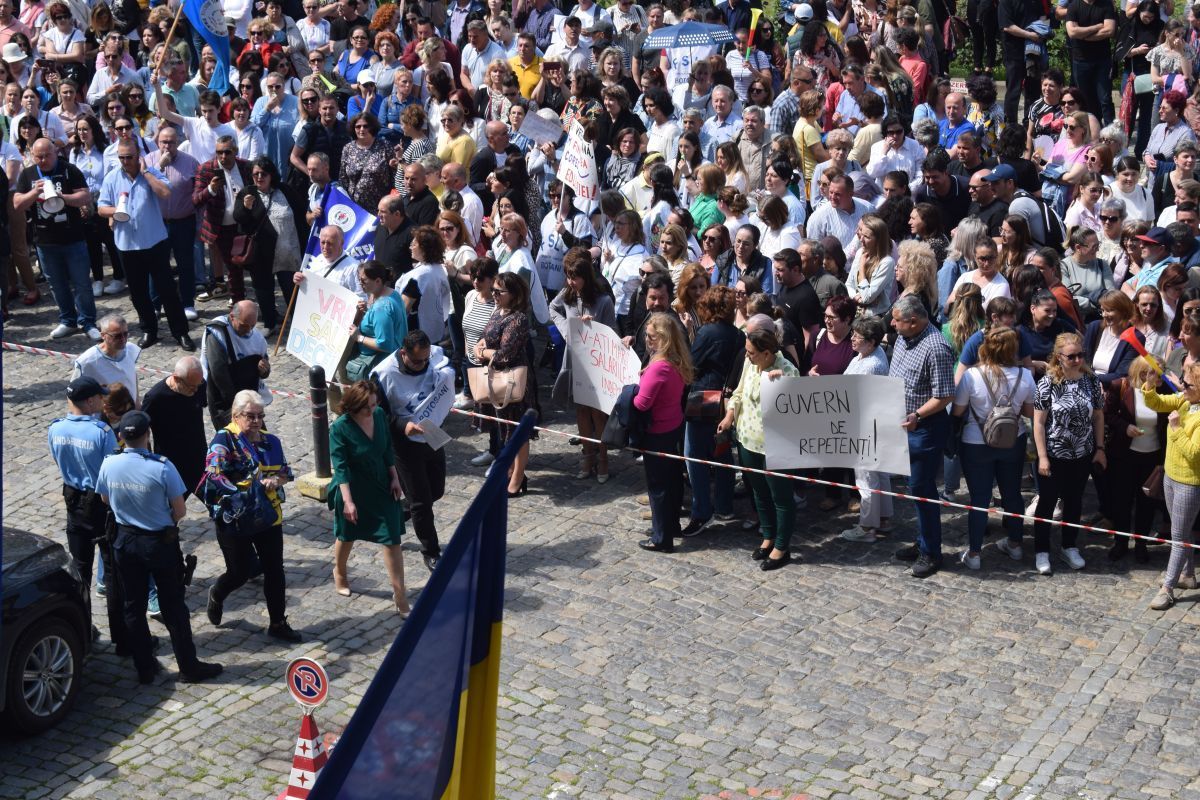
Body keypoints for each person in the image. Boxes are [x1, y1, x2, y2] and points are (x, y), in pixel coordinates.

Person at [97, 410, 222, 684]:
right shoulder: (162, 467)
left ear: (121, 437)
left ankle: (144, 667)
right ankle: (188, 666)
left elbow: (105, 499)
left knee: (133, 606)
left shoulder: (109, 464)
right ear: (147, 434)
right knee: (173, 606)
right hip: (158, 543)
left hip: (125, 541)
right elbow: (180, 511)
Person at [200, 390, 300, 641]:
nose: (256, 421)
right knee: (240, 572)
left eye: (260, 416)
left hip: (267, 515)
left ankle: (277, 622)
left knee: (274, 569)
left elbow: (285, 473)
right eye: (250, 416)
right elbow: (213, 474)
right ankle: (218, 593)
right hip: (234, 516)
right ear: (236, 415)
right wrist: (244, 490)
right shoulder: (224, 440)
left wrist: (275, 481)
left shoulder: (271, 441)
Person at [48, 376, 125, 650]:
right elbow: (113, 471)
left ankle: (84, 634)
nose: (103, 401)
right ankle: (122, 638)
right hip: (101, 504)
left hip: (73, 502)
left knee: (81, 572)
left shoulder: (55, 428)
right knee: (114, 572)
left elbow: (58, 460)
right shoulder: (101, 432)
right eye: (100, 397)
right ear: (91, 401)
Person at [952, 327, 1037, 570]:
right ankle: (1015, 544)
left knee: (979, 498)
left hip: (975, 443)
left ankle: (975, 553)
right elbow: (1029, 411)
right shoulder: (1025, 375)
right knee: (1012, 494)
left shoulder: (971, 376)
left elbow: (958, 411)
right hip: (1012, 441)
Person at [97, 140, 194, 351]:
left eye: (129, 157)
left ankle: (180, 332)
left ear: (138, 155)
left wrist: (146, 173)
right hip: (127, 245)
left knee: (167, 290)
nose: (125, 162)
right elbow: (101, 208)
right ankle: (149, 329)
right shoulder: (112, 178)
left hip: (154, 242)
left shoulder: (151, 173)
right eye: (121, 158)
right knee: (138, 293)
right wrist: (116, 210)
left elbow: (166, 193)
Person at [371, 330, 456, 572]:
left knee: (435, 490)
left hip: (430, 433)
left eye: (426, 360)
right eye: (417, 361)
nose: (423, 365)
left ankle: (391, 519)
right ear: (403, 354)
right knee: (421, 502)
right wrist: (403, 426)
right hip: (404, 442)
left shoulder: (433, 357)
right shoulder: (383, 374)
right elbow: (378, 413)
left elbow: (451, 365)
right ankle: (431, 551)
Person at [718, 325, 801, 567]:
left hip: (776, 446)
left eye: (751, 352)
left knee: (781, 497)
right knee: (759, 493)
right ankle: (768, 536)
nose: (747, 355)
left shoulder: (788, 370)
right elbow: (739, 392)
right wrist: (729, 416)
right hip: (748, 440)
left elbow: (797, 408)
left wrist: (781, 383)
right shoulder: (750, 364)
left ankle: (782, 546)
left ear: (767, 353)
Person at [326, 380, 410, 612]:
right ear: (353, 405)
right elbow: (340, 467)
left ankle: (400, 594)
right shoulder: (340, 428)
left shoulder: (379, 415)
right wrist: (348, 502)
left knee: (392, 538)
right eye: (366, 407)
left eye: (374, 404)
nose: (371, 410)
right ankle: (340, 572)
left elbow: (386, 449)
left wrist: (394, 477)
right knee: (347, 534)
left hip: (381, 483)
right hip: (353, 487)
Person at [890, 293, 957, 578]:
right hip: (902, 426)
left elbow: (944, 396)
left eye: (897, 320)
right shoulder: (903, 338)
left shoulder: (936, 348)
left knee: (923, 489)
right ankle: (922, 541)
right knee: (914, 488)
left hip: (924, 429)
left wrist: (917, 415)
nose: (892, 324)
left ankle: (931, 552)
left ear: (914, 321)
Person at [1031, 332, 1106, 575]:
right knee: (1047, 503)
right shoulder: (1048, 383)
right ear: (1059, 357)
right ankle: (1041, 550)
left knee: (1074, 501)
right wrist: (1042, 456)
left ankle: (1069, 545)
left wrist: (1100, 448)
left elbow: (1098, 416)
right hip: (1054, 453)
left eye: (1080, 355)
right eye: (1071, 356)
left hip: (1082, 453)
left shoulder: (1091, 380)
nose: (1077, 360)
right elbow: (1039, 423)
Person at [14, 137, 95, 340]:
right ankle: (68, 321)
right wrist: (35, 192)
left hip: (73, 238)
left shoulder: (69, 169)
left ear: (55, 153)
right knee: (57, 285)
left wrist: (62, 198)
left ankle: (88, 322)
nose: (43, 160)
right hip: (45, 241)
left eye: (47, 155)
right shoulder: (28, 174)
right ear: (32, 156)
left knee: (82, 283)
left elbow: (85, 196)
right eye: (38, 156)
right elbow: (17, 204)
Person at [634, 313, 694, 555]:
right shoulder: (676, 359)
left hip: (657, 430)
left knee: (658, 486)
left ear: (664, 338)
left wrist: (631, 391)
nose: (647, 340)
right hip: (673, 425)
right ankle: (671, 526)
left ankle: (661, 538)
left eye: (651, 337)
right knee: (672, 480)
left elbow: (641, 404)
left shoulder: (659, 367)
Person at [232, 158, 307, 335]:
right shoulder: (247, 193)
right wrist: (246, 208)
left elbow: (302, 213)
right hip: (262, 255)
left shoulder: (285, 190)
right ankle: (269, 322)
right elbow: (240, 221)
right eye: (255, 174)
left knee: (292, 290)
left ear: (271, 174)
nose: (259, 177)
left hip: (288, 251)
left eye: (263, 173)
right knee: (263, 290)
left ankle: (298, 324)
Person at [839, 315, 895, 542]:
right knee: (879, 474)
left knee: (865, 478)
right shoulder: (867, 355)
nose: (852, 338)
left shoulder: (871, 365)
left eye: (857, 336)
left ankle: (866, 527)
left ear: (871, 342)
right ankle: (883, 518)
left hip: (865, 426)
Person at [1104, 355, 1164, 564]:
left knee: (1147, 503)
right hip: (1125, 455)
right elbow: (1107, 415)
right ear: (1143, 374)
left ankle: (1141, 544)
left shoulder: (1164, 391)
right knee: (1122, 500)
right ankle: (1120, 542)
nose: (1161, 377)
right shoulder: (1120, 387)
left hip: (1153, 456)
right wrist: (1125, 427)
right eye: (1157, 373)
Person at [142, 357, 207, 508]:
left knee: (218, 505)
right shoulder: (155, 398)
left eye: (198, 385)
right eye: (191, 387)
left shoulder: (199, 384)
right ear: (176, 378)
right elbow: (143, 431)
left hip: (199, 459)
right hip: (172, 465)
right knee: (170, 510)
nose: (195, 391)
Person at [201, 301, 272, 430]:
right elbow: (218, 372)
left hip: (249, 399)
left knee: (259, 437)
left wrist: (264, 369)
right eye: (244, 325)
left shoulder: (257, 337)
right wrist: (238, 405)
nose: (248, 330)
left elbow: (265, 370)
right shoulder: (218, 332)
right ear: (232, 316)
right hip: (225, 400)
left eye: (252, 326)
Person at [347, 261, 408, 383]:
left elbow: (384, 344)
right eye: (359, 279)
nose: (360, 283)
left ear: (378, 281)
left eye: (364, 280)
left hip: (379, 368)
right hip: (392, 361)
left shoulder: (381, 307)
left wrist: (359, 337)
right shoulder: (392, 293)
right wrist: (368, 311)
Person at [845, 214, 895, 316]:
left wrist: (862, 268)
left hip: (875, 317)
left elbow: (867, 297)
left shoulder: (887, 262)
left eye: (867, 237)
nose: (861, 239)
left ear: (878, 240)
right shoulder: (860, 253)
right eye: (862, 235)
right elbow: (848, 284)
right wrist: (856, 297)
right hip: (856, 313)